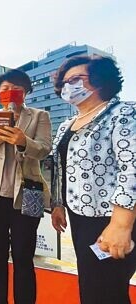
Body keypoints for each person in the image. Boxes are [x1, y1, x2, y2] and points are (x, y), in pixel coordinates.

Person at [51, 55, 135, 304]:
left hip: (112, 218)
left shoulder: (123, 114)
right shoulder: (67, 125)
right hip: (80, 218)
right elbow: (61, 166)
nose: (69, 86)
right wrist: (58, 204)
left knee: (107, 291)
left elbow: (132, 167)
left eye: (76, 79)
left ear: (100, 80)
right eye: (65, 82)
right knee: (90, 284)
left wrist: (121, 225)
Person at [0, 69, 52, 304]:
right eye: (4, 89)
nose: (9, 93)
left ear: (26, 91)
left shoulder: (40, 116)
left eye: (15, 89)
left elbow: (44, 149)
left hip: (28, 193)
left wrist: (22, 141)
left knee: (23, 255)